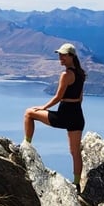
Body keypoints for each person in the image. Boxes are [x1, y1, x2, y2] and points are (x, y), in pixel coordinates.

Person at [22, 42, 87, 192]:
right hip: (77, 116)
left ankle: (26, 145)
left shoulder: (66, 75)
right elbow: (80, 98)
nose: (60, 58)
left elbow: (58, 97)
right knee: (75, 152)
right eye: (60, 55)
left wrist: (43, 108)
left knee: (29, 113)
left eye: (63, 55)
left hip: (63, 116)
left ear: (71, 56)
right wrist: (74, 111)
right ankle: (77, 184)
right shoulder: (81, 74)